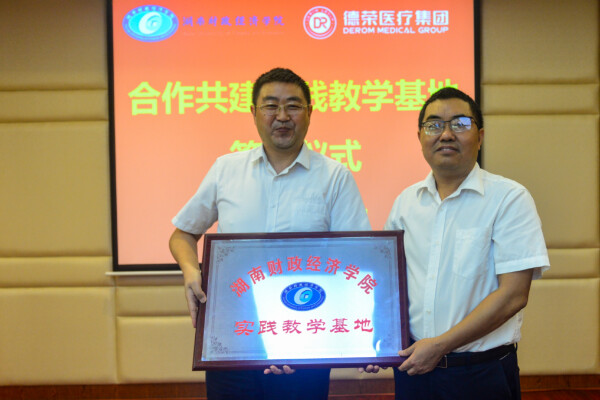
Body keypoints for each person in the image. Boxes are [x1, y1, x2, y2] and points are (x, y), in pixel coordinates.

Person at [169, 67, 371, 400]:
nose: (282, 116)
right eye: (271, 106)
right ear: (253, 112)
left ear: (309, 112)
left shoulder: (335, 177)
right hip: (233, 337)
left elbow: (357, 258)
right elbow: (182, 235)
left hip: (305, 338)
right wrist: (191, 271)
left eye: (293, 106)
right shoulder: (226, 170)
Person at [382, 87, 549, 399]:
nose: (446, 134)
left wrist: (440, 346)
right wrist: (376, 344)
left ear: (480, 136)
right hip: (414, 370)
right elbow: (388, 285)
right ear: (420, 137)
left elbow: (514, 295)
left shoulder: (509, 199)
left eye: (460, 124)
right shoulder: (405, 203)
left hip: (481, 373)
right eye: (434, 125)